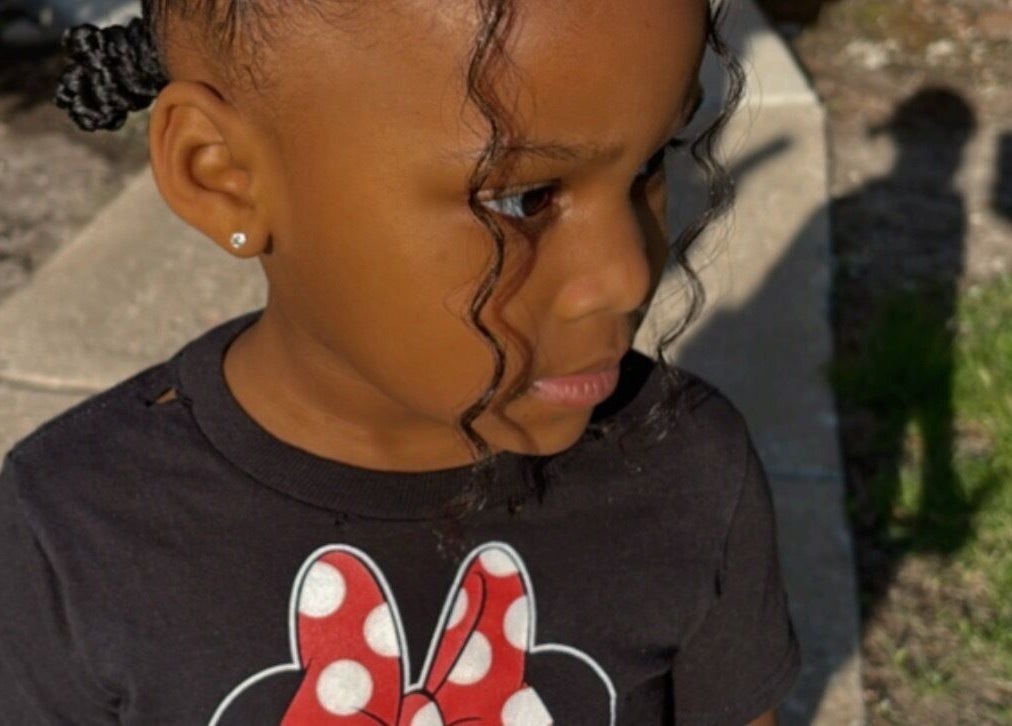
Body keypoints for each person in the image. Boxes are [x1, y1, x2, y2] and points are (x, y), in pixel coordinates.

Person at [0, 0, 800, 723]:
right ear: (225, 176)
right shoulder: (70, 537)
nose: (627, 274)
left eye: (651, 163)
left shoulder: (687, 468)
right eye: (521, 198)